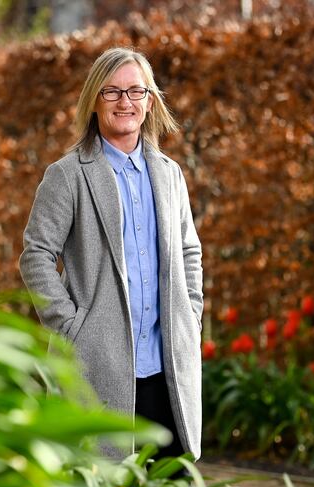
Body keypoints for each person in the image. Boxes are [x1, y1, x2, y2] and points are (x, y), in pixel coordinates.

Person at [19, 47, 203, 459]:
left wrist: (191, 315)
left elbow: (190, 251)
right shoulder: (66, 176)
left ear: (149, 102)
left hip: (166, 369)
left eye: (136, 92)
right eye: (112, 92)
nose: (126, 102)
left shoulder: (170, 175)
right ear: (94, 101)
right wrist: (71, 327)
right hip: (98, 367)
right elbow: (36, 255)